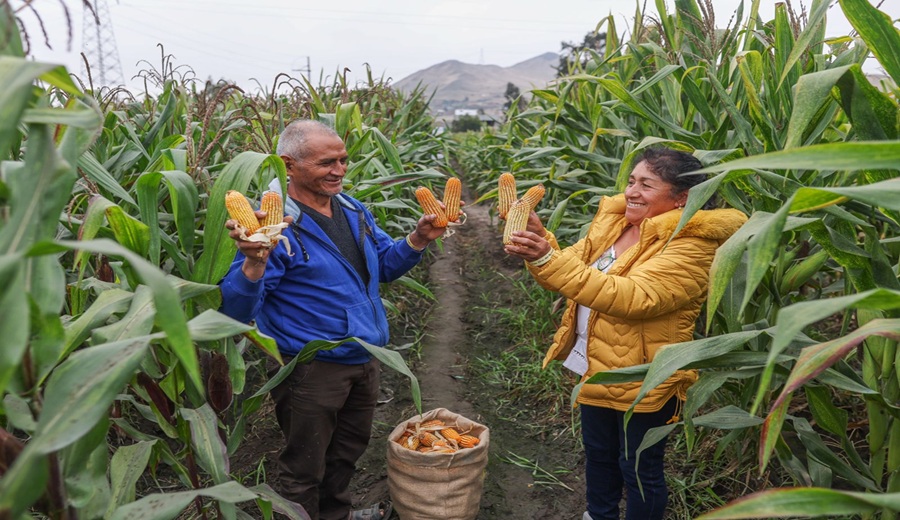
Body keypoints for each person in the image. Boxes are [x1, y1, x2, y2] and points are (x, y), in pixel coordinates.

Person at [219, 119, 447, 520]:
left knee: (345, 455)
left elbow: (384, 267)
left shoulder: (351, 208)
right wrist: (254, 262)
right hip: (312, 367)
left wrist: (418, 239)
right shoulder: (273, 228)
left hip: (365, 354)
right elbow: (235, 312)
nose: (340, 170)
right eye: (327, 163)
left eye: (343, 160)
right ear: (288, 165)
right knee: (304, 468)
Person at [503, 148, 747, 520]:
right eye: (631, 181)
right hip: (597, 366)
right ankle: (598, 515)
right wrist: (541, 241)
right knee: (598, 456)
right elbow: (572, 268)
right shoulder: (615, 225)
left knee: (639, 469)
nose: (632, 191)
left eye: (646, 184)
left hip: (646, 376)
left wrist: (546, 259)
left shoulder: (692, 244)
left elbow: (635, 298)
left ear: (682, 197)